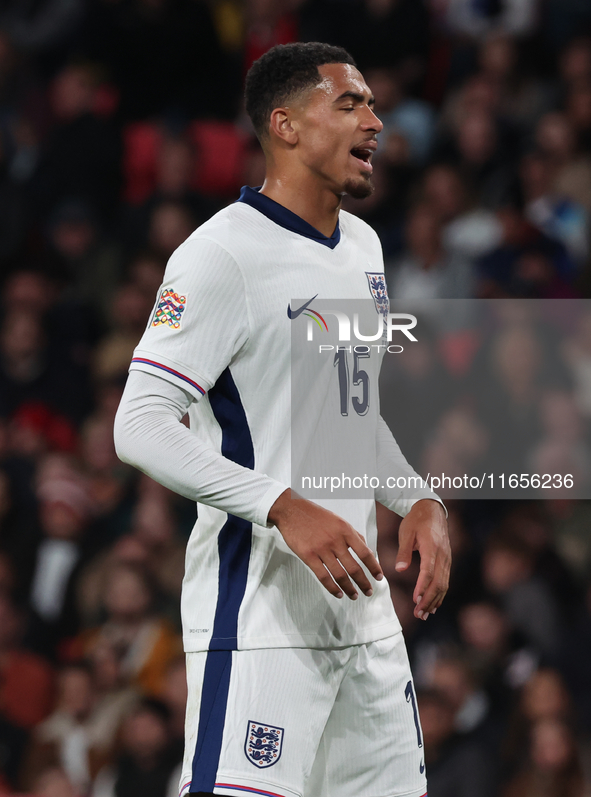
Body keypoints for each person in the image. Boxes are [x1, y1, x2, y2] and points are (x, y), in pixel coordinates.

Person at [114, 42, 451, 797]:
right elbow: (137, 423)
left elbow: (345, 413)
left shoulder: (362, 247)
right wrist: (281, 505)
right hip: (260, 614)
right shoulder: (219, 256)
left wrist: (415, 498)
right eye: (350, 103)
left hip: (361, 617)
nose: (376, 119)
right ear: (286, 125)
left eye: (370, 102)